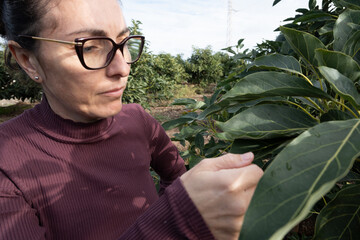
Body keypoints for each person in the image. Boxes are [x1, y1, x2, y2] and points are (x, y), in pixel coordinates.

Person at [0, 0, 263, 239]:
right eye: (90, 47)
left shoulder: (138, 120)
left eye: (124, 43)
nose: (123, 67)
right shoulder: (6, 163)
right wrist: (175, 223)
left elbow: (174, 173)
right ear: (27, 60)